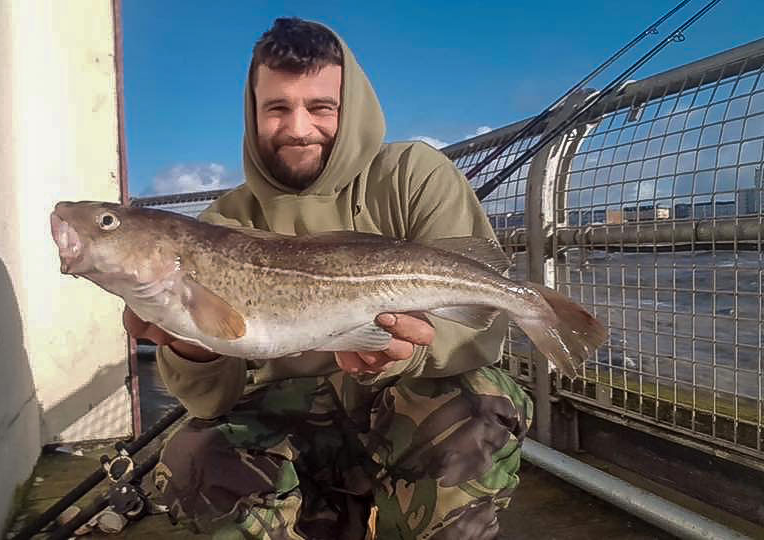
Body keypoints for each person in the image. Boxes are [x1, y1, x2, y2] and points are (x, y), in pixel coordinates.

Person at [125, 17, 533, 540]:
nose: (298, 127)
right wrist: (194, 348)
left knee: (478, 404)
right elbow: (210, 402)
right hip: (289, 418)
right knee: (192, 455)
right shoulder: (219, 224)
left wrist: (409, 352)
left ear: (351, 107)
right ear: (253, 116)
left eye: (320, 107)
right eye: (277, 108)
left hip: (405, 403)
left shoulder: (415, 174)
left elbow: (478, 325)